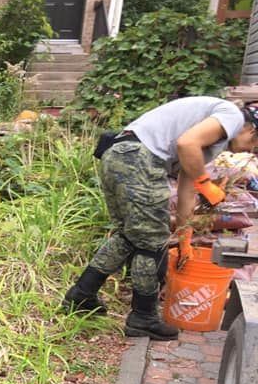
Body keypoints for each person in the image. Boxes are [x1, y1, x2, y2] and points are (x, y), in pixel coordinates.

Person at [63, 96, 258, 340]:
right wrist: (207, 184)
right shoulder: (232, 115)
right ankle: (143, 318)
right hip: (139, 159)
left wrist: (185, 237)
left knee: (130, 236)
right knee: (152, 241)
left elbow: (187, 187)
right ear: (250, 128)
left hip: (119, 156)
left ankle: (81, 295)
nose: (250, 150)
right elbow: (187, 144)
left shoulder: (209, 140)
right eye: (254, 142)